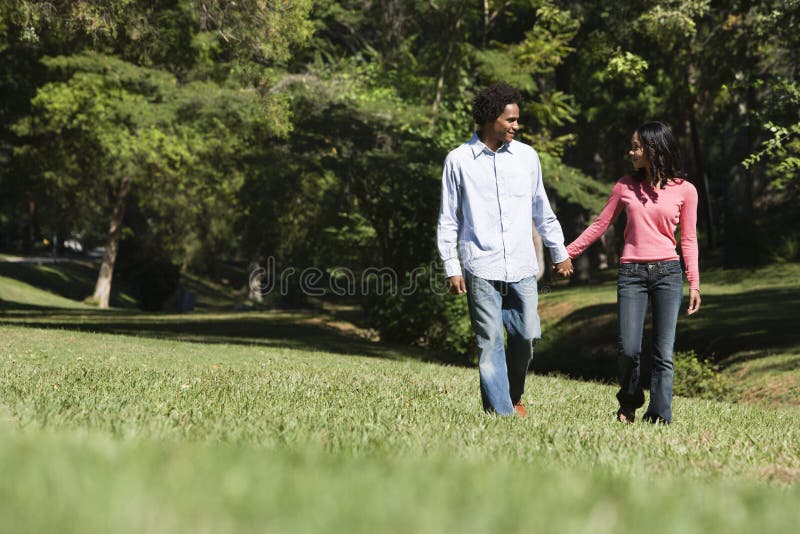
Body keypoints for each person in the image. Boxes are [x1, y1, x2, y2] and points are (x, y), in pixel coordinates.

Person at [437, 82, 573, 417]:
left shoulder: (527, 158)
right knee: (490, 343)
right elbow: (448, 218)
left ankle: (512, 395)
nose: (516, 125)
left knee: (526, 337)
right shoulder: (458, 161)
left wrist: (559, 250)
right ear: (490, 118)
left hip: (523, 266)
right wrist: (451, 265)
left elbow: (541, 208)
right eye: (510, 119)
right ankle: (502, 414)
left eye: (517, 120)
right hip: (480, 264)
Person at [566, 121, 701, 424]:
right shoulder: (625, 185)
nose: (631, 152)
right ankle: (629, 400)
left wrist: (694, 282)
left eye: (637, 146)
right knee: (628, 349)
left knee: (663, 352)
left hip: (668, 272)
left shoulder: (686, 191)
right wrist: (567, 252)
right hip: (632, 274)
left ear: (654, 149)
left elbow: (688, 239)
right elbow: (601, 224)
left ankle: (659, 415)